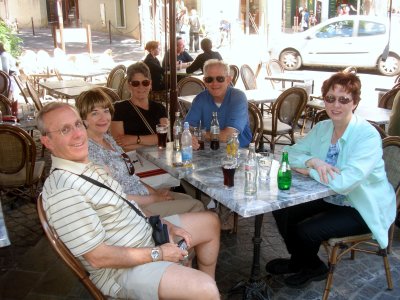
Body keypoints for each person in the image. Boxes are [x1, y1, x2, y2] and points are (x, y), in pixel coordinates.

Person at [37, 102, 221, 300]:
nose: (78, 134)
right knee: (204, 288)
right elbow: (98, 258)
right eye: (65, 130)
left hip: (144, 239)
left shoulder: (88, 167)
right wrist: (159, 253)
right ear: (47, 141)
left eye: (77, 125)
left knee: (210, 222)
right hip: (121, 271)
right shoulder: (63, 190)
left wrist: (166, 225)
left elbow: (127, 206)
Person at [266, 72, 396, 288]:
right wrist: (314, 161)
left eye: (344, 99)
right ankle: (301, 261)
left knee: (306, 230)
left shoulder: (367, 136)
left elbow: (345, 183)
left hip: (361, 205)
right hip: (330, 197)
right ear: (323, 99)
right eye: (330, 98)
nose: (336, 105)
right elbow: (288, 153)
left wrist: (309, 171)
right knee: (281, 207)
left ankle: (314, 267)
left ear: (355, 102)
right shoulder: (322, 128)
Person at [75, 87, 205, 217]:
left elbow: (131, 176)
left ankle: (176, 233)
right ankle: (167, 234)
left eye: (106, 111)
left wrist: (155, 192)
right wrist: (155, 198)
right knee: (196, 206)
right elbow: (113, 195)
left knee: (188, 200)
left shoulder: (108, 139)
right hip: (131, 209)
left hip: (141, 194)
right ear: (83, 119)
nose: (103, 118)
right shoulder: (90, 151)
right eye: (94, 113)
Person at [184, 59, 252, 148]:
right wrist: (191, 137)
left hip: (238, 152)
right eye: (209, 79)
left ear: (228, 80)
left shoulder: (238, 97)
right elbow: (187, 127)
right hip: (209, 151)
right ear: (205, 81)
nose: (214, 83)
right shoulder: (200, 98)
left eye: (220, 79)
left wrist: (200, 134)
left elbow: (229, 136)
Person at [111, 62, 167, 152]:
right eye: (135, 83)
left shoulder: (160, 108)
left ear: (150, 84)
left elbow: (163, 138)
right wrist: (153, 142)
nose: (141, 87)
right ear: (129, 86)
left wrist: (135, 139)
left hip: (158, 160)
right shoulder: (118, 108)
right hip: (133, 161)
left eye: (145, 82)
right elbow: (119, 146)